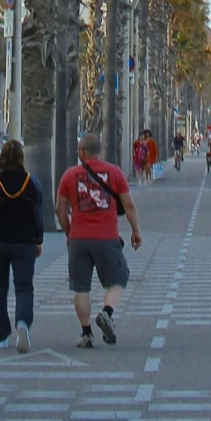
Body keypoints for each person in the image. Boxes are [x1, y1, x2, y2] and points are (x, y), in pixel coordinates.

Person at [57, 128, 141, 348]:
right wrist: (135, 231)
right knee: (118, 279)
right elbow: (129, 205)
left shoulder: (69, 175)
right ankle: (107, 311)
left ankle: (86, 333)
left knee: (81, 287)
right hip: (107, 237)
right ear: (99, 151)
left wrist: (69, 231)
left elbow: (59, 209)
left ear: (82, 151)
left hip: (79, 239)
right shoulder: (115, 173)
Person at [0, 137, 45, 353]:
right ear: (22, 158)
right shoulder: (32, 183)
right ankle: (22, 323)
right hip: (24, 243)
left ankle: (2, 335)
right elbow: (38, 215)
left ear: (2, 159)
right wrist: (38, 239)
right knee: (24, 287)